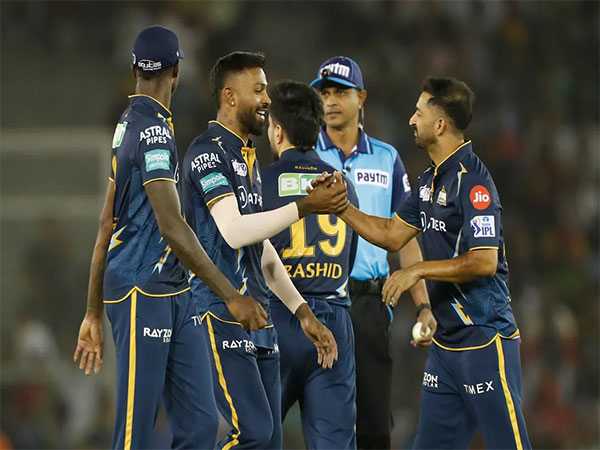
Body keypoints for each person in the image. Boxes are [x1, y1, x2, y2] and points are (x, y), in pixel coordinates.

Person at [73, 27, 267, 450]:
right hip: (143, 287)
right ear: (177, 71)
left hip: (174, 290)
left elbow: (106, 222)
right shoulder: (154, 132)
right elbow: (172, 225)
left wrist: (91, 312)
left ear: (134, 70)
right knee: (136, 430)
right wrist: (231, 295)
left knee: (199, 427)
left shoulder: (129, 126)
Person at [313, 77, 531, 449]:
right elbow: (391, 235)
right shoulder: (429, 180)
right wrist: (342, 207)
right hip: (445, 345)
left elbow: (484, 261)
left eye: (419, 112)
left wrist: (416, 270)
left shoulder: (474, 183)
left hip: (484, 337)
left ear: (441, 124)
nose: (411, 120)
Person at [180, 52, 342, 450]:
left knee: (268, 440)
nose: (267, 99)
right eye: (258, 90)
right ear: (230, 97)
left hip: (260, 316)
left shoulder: (246, 158)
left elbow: (261, 249)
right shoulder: (207, 153)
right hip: (220, 310)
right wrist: (303, 207)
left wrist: (303, 313)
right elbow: (234, 232)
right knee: (250, 433)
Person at [309, 56, 433, 449]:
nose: (330, 101)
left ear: (361, 97)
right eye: (324, 92)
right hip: (316, 301)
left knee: (374, 422)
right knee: (320, 418)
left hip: (368, 303)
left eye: (340, 92)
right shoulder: (303, 153)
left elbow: (407, 237)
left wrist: (423, 304)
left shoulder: (387, 158)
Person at [261, 80, 359, 449]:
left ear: (277, 130)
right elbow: (349, 255)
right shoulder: (344, 185)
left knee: (259, 436)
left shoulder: (261, 183)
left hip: (279, 318)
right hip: (333, 319)